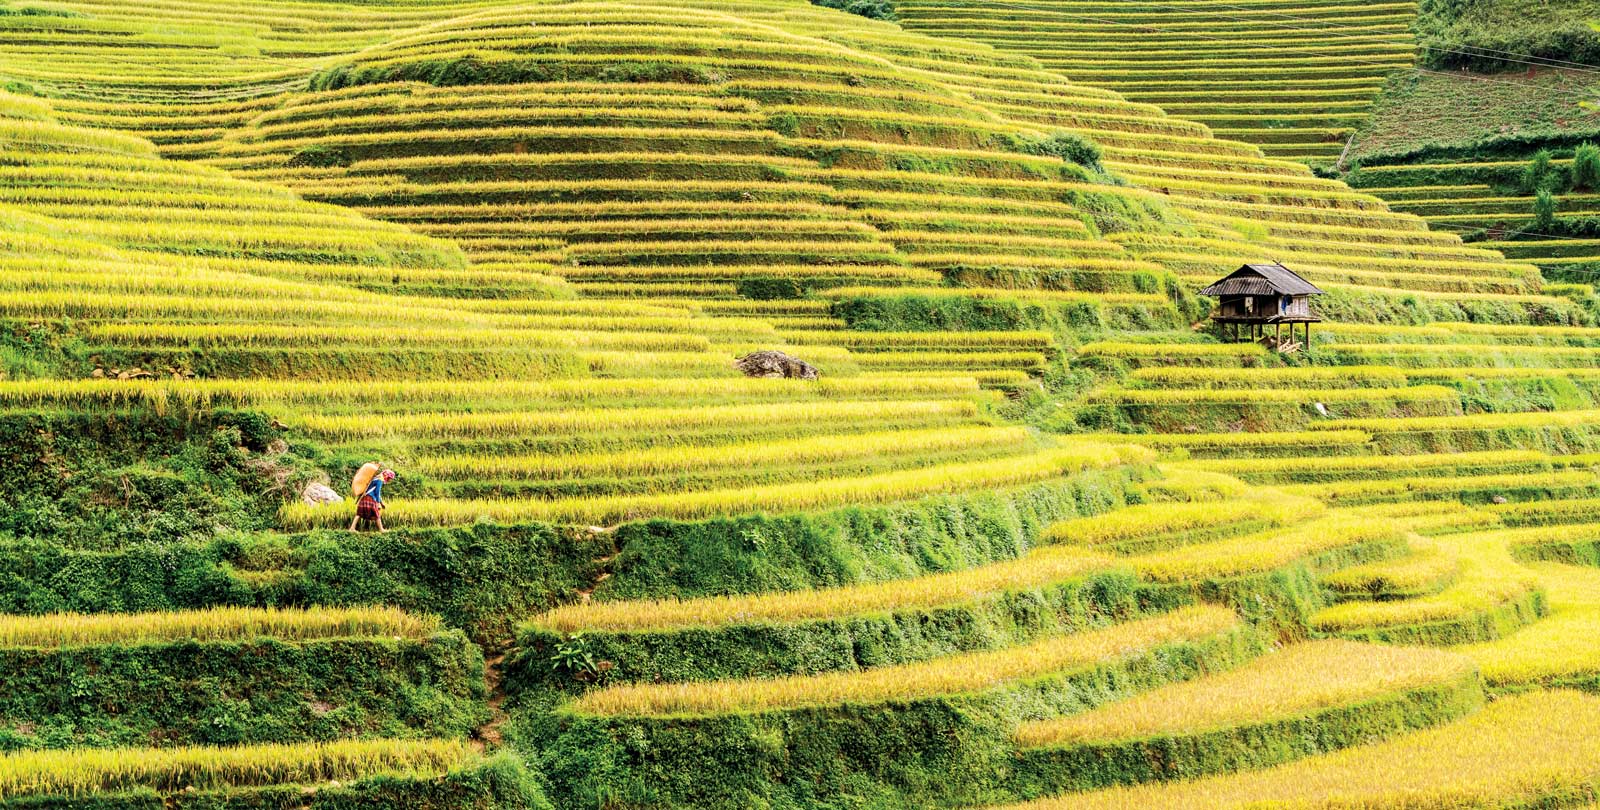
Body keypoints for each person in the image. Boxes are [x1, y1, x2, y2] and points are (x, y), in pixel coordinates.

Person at [350, 468, 395, 533]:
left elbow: (376, 492)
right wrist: (378, 503)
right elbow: (377, 492)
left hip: (365, 497)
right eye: (389, 478)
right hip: (370, 498)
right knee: (376, 513)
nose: (389, 480)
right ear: (386, 475)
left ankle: (352, 528)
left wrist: (381, 503)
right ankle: (381, 529)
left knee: (359, 513)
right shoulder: (380, 480)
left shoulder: (376, 478)